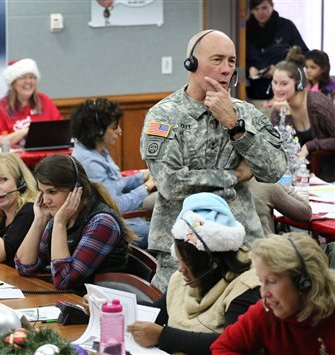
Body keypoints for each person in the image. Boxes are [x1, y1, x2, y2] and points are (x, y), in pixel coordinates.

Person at [140, 29, 287, 291]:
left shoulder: (243, 113)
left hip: (241, 245)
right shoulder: (163, 116)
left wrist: (234, 126)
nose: (226, 69)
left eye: (231, 61)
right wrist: (233, 175)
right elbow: (171, 183)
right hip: (183, 248)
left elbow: (274, 169)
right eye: (217, 59)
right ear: (191, 64)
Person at [127, 193, 260, 354]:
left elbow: (232, 343)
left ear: (213, 262)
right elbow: (156, 313)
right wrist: (111, 307)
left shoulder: (245, 288)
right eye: (179, 258)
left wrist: (163, 336)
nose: (180, 268)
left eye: (187, 262)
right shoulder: (184, 279)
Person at [14, 154, 133, 292]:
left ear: (76, 189)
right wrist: (39, 221)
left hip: (102, 309)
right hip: (74, 302)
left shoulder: (101, 223)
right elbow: (24, 267)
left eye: (52, 192)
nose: (45, 200)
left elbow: (64, 281)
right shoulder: (60, 215)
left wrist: (59, 224)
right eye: (42, 192)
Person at [211, 232, 335, 354]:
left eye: (271, 281)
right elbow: (222, 347)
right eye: (261, 281)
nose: (263, 293)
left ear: (304, 282)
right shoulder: (266, 312)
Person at [71, 98, 156, 248]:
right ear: (98, 131)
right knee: (164, 232)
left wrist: (142, 177)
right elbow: (116, 206)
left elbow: (115, 185)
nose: (119, 131)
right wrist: (147, 187)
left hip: (117, 219)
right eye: (114, 127)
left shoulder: (96, 150)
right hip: (112, 224)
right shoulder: (89, 162)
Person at [270, 46, 335, 181]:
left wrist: (309, 146)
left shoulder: (317, 103)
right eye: (275, 82)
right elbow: (281, 149)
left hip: (328, 176)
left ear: (299, 84)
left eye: (284, 84)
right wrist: (286, 116)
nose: (277, 88)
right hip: (296, 179)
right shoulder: (277, 110)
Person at [246, 0, 308, 110]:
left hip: (284, 96)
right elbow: (238, 59)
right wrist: (249, 69)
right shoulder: (244, 29)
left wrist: (281, 69)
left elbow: (303, 55)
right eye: (256, 9)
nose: (261, 12)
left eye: (264, 8)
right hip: (254, 95)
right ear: (251, 10)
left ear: (272, 6)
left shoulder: (286, 26)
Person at [0, 58, 62, 147]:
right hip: (14, 159)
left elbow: (60, 131)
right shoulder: (0, 107)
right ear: (13, 82)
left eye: (32, 77)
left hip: (46, 157)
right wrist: (24, 132)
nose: (28, 81)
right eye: (23, 77)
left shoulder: (44, 101)